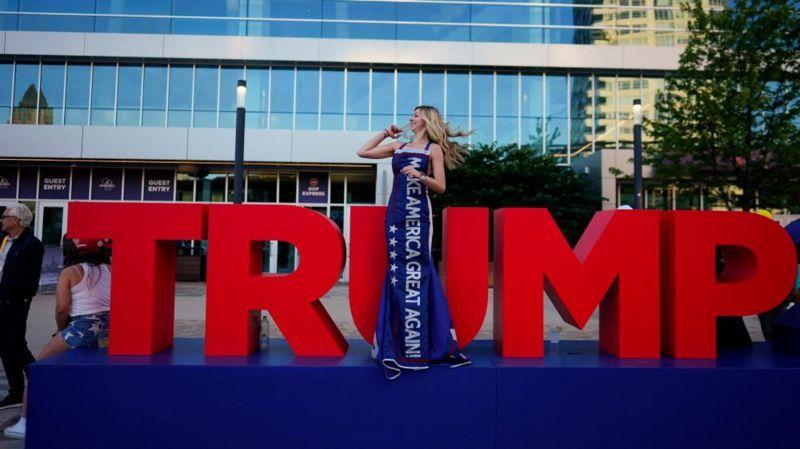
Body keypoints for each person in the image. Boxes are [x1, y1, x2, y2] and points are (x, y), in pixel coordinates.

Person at [357, 105, 471, 379]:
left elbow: (441, 186)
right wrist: (385, 133)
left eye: (416, 114)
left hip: (418, 217)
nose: (411, 118)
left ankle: (423, 342)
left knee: (418, 274)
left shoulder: (433, 149)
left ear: (426, 120)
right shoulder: (399, 145)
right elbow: (362, 152)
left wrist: (420, 175)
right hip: (395, 216)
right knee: (397, 274)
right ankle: (395, 342)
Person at [3, 237, 111, 439]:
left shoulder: (70, 272)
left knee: (39, 369)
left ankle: (26, 422)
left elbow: (62, 309)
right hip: (107, 328)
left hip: (81, 326)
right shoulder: (109, 270)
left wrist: (61, 331)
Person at [0, 203, 44, 410]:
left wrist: (14, 298)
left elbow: (30, 279)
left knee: (16, 344)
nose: (2, 219)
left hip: (14, 302)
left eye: (5, 216)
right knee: (4, 346)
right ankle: (16, 391)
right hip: (1, 299)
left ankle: (39, 383)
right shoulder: (5, 241)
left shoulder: (31, 244)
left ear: (16, 221)